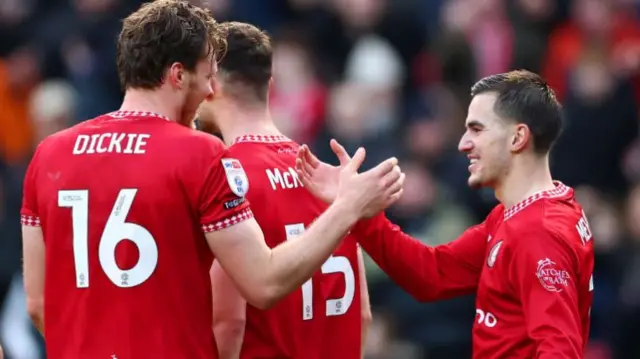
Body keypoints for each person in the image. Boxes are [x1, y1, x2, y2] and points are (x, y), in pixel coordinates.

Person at [19, 2, 403, 359]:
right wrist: (349, 207)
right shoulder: (199, 153)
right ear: (177, 75)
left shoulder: (50, 152)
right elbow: (264, 283)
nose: (208, 92)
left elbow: (36, 304)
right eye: (206, 77)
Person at [296, 70, 595, 358]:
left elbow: (559, 351)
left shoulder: (536, 231)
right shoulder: (520, 215)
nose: (463, 144)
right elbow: (433, 274)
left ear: (517, 138)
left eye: (476, 129)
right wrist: (357, 209)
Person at [196, 22, 378, 359]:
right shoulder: (327, 177)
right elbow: (362, 314)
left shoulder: (227, 176)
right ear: (270, 84)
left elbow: (228, 322)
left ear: (212, 84)